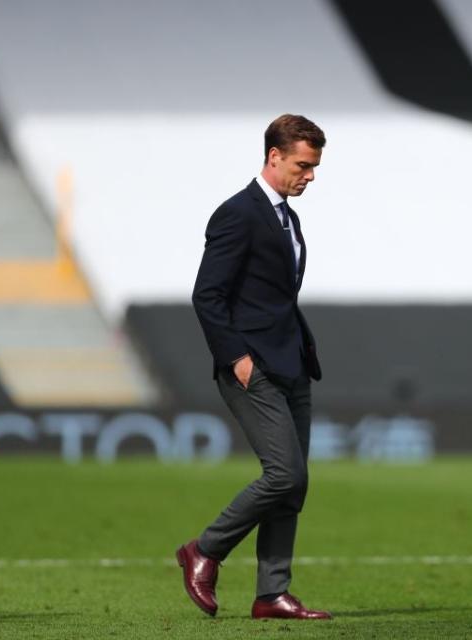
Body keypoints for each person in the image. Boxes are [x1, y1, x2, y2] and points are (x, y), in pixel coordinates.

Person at [176, 114, 330, 620]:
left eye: (314, 167)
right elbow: (207, 295)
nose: (309, 176)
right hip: (252, 366)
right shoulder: (238, 214)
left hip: (292, 363)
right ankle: (205, 550)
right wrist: (236, 358)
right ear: (274, 157)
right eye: (303, 166)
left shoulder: (289, 217)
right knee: (284, 474)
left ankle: (271, 594)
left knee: (296, 481)